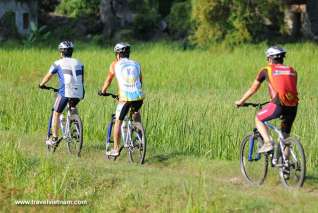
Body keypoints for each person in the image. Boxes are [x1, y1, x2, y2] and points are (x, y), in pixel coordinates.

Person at [235, 46, 298, 153]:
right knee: (285, 137)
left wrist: (241, 101)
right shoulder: (292, 70)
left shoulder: (266, 70)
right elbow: (289, 88)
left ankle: (268, 143)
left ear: (269, 59)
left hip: (278, 104)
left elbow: (253, 89)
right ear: (282, 58)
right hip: (293, 105)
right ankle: (286, 168)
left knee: (259, 118)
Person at [100, 42, 144, 156]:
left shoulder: (115, 64)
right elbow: (140, 81)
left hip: (125, 98)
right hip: (139, 97)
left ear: (118, 54)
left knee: (118, 121)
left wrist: (103, 91)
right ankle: (140, 139)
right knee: (135, 113)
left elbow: (109, 80)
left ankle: (115, 149)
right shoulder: (136, 64)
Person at [39, 41, 85, 145]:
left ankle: (54, 138)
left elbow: (48, 76)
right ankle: (77, 130)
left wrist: (41, 84)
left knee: (56, 113)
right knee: (72, 107)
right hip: (79, 92)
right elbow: (81, 79)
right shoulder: (79, 63)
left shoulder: (57, 63)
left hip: (65, 91)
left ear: (61, 52)